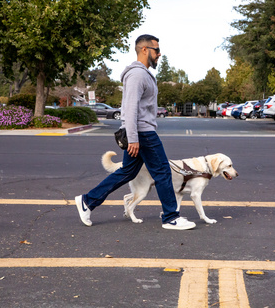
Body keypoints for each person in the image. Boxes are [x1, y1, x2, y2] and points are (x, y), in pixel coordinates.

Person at [75, 34, 195, 230]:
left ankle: (87, 201)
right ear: (144, 50)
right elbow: (130, 109)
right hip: (143, 133)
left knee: (127, 172)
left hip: (141, 132)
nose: (159, 53)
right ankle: (171, 217)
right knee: (163, 172)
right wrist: (133, 138)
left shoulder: (143, 74)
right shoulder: (137, 75)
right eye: (156, 50)